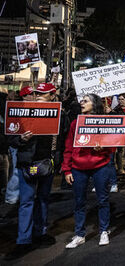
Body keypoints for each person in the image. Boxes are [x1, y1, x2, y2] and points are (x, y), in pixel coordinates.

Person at [5, 83, 58, 261]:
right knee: (26, 202)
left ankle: (40, 232)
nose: (38, 96)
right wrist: (21, 138)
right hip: (27, 164)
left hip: (46, 165)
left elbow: (63, 139)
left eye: (42, 93)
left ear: (52, 95)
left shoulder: (59, 115)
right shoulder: (21, 113)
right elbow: (10, 139)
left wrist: (57, 161)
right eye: (36, 93)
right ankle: (23, 240)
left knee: (43, 200)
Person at [62, 93, 115, 248]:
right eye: (81, 100)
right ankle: (79, 234)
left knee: (103, 200)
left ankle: (104, 231)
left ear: (94, 104)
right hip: (78, 168)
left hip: (100, 166)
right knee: (79, 202)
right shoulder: (74, 124)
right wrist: (67, 169)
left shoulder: (104, 122)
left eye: (85, 101)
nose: (81, 103)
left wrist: (103, 148)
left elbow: (112, 146)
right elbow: (68, 147)